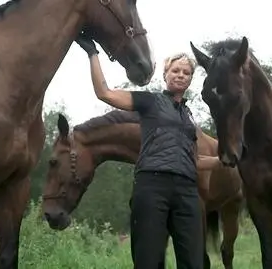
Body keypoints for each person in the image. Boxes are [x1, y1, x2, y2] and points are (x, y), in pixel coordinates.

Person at [74, 32, 221, 269]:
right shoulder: (149, 102)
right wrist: (93, 54)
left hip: (187, 191)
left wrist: (221, 160)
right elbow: (105, 93)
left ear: (191, 79)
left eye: (186, 73)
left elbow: (194, 160)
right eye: (176, 71)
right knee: (148, 261)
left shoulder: (188, 117)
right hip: (153, 187)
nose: (181, 75)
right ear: (165, 74)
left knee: (195, 263)